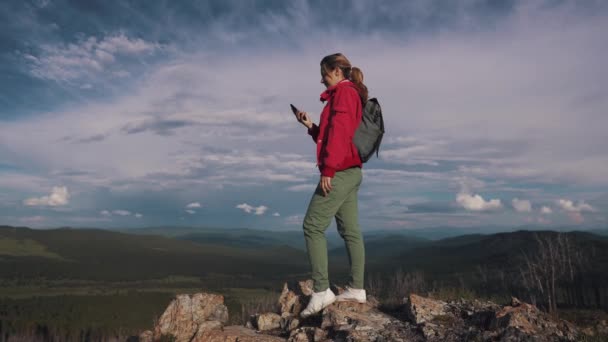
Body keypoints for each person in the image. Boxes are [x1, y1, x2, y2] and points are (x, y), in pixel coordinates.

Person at [293, 53, 369, 318]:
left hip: (339, 171)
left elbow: (339, 134)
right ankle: (357, 289)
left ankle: (322, 291)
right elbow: (331, 135)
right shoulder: (348, 94)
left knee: (312, 226)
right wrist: (310, 125)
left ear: (337, 71)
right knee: (350, 230)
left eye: (324, 73)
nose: (322, 79)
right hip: (351, 170)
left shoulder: (344, 94)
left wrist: (328, 170)